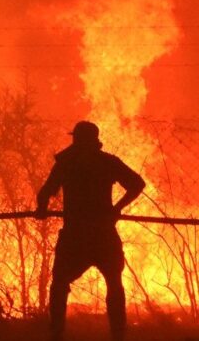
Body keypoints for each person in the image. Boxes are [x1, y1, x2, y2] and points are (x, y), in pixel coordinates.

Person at [35, 121, 145, 341]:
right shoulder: (107, 162)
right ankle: (118, 335)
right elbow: (137, 183)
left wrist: (42, 210)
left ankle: (56, 334)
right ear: (95, 141)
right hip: (103, 233)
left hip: (75, 236)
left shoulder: (67, 163)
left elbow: (46, 191)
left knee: (59, 284)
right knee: (114, 284)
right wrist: (116, 209)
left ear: (77, 139)